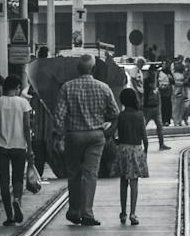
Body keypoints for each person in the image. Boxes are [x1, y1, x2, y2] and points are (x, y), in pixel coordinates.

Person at [56, 56, 117, 226]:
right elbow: (114, 113)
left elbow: (59, 116)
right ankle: (87, 212)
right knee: (90, 174)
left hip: (74, 135)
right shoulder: (103, 88)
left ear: (78, 69)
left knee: (74, 173)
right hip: (96, 136)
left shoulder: (67, 87)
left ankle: (74, 211)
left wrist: (58, 136)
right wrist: (107, 130)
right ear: (93, 69)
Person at [0, 74, 33, 226]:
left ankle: (9, 216)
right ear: (18, 88)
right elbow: (27, 127)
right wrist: (30, 148)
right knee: (18, 178)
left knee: (4, 180)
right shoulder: (23, 103)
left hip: (1, 146)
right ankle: (17, 200)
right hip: (19, 146)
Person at [112, 87, 150, 226]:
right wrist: (145, 151)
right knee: (134, 183)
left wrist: (116, 141)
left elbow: (112, 132)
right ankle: (133, 213)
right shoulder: (140, 115)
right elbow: (144, 137)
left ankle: (123, 213)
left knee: (123, 182)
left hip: (123, 149)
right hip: (136, 149)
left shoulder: (120, 116)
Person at [141, 59, 171, 152]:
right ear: (151, 72)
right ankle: (142, 144)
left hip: (156, 106)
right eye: (155, 71)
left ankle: (161, 144)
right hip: (148, 107)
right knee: (143, 126)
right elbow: (151, 90)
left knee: (159, 126)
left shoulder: (156, 80)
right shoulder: (147, 81)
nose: (157, 73)